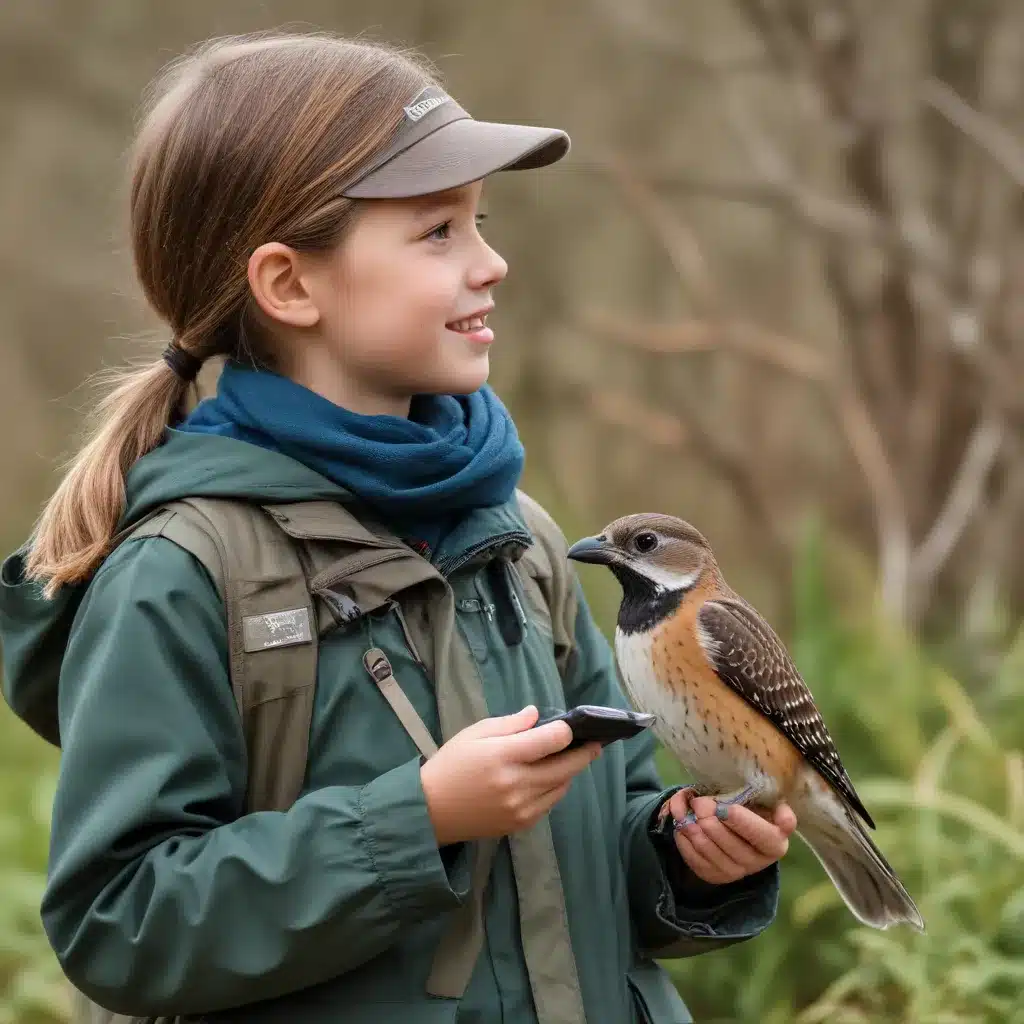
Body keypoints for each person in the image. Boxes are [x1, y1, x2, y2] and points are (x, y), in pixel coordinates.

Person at [0, 31, 795, 1024]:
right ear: (290, 285)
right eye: (437, 232)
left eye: (481, 222)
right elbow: (120, 923)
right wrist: (416, 821)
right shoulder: (181, 569)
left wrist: (682, 853)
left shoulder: (522, 539)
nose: (491, 262)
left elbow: (609, 835)